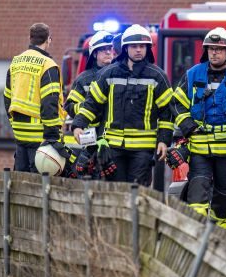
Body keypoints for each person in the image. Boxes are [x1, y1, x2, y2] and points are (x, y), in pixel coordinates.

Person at [170, 28, 226, 230]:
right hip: (199, 151)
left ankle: (222, 239)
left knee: (223, 200)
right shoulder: (193, 75)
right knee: (197, 195)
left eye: (219, 49)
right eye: (211, 49)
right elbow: (176, 103)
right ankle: (195, 236)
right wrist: (188, 127)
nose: (214, 53)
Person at [71, 24, 174, 186]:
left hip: (143, 149)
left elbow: (167, 113)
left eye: (142, 46)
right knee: (115, 191)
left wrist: (164, 140)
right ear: (125, 48)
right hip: (114, 147)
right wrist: (78, 125)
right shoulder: (108, 74)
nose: (139, 50)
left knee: (137, 192)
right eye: (134, 46)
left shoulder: (158, 76)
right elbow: (92, 104)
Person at [4, 23, 64, 173]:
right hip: (40, 137)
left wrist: (14, 123)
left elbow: (7, 97)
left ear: (30, 39)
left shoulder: (16, 62)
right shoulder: (48, 65)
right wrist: (52, 136)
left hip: (19, 133)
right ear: (48, 40)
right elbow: (49, 103)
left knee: (20, 183)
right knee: (38, 187)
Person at [63, 31, 116, 177]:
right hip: (90, 140)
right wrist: (90, 109)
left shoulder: (120, 75)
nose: (108, 52)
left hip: (115, 140)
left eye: (110, 49)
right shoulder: (84, 79)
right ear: (94, 54)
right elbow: (70, 105)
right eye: (103, 49)